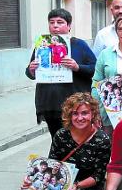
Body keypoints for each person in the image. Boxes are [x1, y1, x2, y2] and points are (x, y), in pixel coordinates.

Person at [21, 93, 110, 190]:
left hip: (88, 183)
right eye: (75, 113)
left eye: (84, 113)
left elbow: (98, 176)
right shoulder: (61, 135)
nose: (80, 118)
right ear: (68, 115)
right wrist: (31, 180)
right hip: (62, 179)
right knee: (45, 186)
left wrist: (77, 185)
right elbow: (51, 164)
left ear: (93, 114)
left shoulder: (102, 140)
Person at [25, 8, 96, 137]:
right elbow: (30, 73)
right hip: (50, 104)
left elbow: (94, 69)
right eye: (52, 22)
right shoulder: (42, 45)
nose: (55, 26)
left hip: (75, 104)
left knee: (77, 140)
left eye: (60, 22)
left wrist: (77, 67)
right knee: (57, 139)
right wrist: (31, 69)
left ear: (69, 26)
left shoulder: (79, 44)